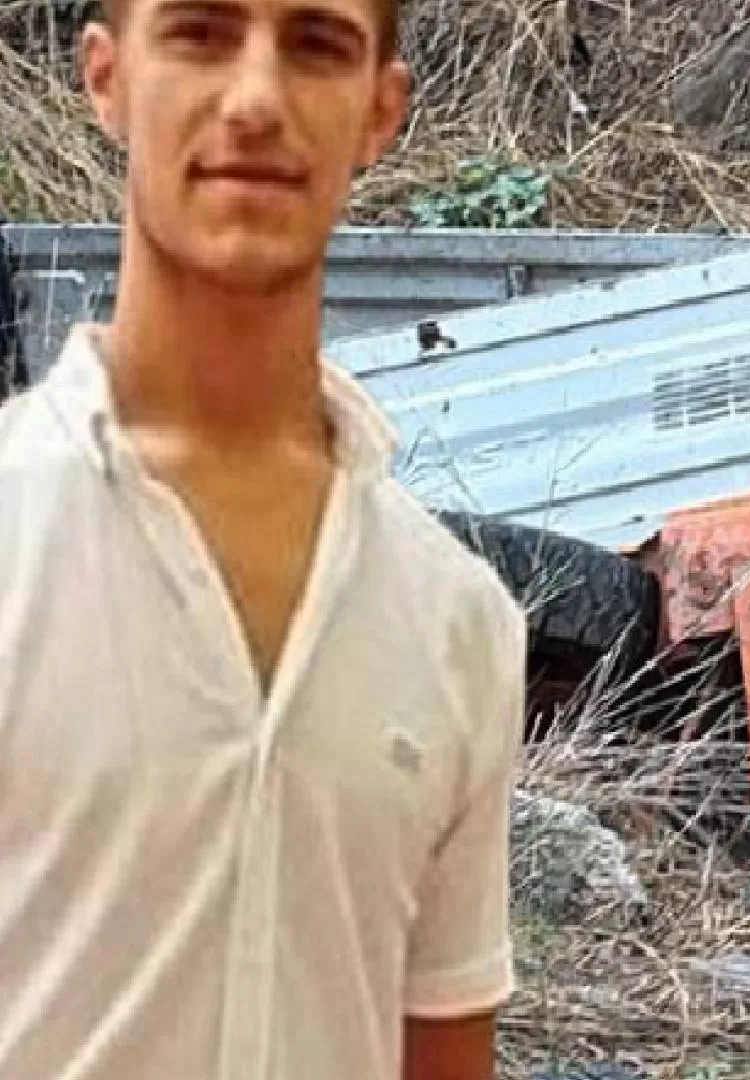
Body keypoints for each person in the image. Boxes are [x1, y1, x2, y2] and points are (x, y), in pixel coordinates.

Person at [0, 0, 525, 1078]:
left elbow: (442, 1052)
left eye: (317, 44)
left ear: (381, 109)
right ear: (107, 78)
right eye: (199, 33)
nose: (254, 99)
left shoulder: (457, 621)